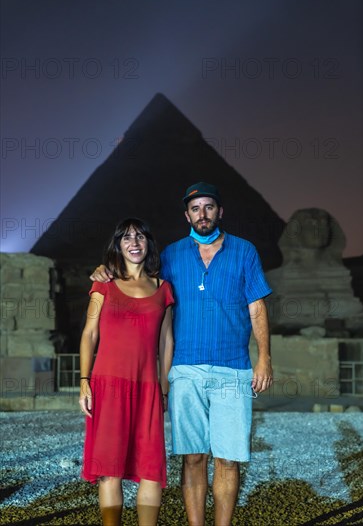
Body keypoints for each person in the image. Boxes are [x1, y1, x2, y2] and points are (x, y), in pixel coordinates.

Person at [91, 183, 273, 526]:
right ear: (186, 215)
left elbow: (257, 306)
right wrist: (105, 270)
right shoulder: (172, 256)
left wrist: (264, 357)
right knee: (192, 457)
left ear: (220, 212)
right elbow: (138, 281)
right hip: (185, 369)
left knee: (228, 459)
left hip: (233, 369)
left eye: (208, 207)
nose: (202, 214)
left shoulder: (244, 251)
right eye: (195, 208)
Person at [79, 218, 174, 526]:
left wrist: (163, 388)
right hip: (107, 386)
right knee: (109, 468)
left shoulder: (163, 289)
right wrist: (84, 382)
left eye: (140, 237)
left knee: (150, 467)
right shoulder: (103, 285)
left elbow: (165, 341)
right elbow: (89, 334)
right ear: (118, 246)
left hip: (147, 388)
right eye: (127, 238)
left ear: (149, 244)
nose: (134, 243)